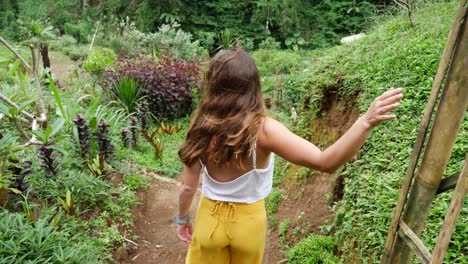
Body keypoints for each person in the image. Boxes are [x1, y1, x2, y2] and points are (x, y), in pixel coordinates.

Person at [175, 47, 403, 264]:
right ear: (253, 85)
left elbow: (187, 187)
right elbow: (326, 162)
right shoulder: (264, 130)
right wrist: (364, 122)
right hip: (249, 224)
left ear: (212, 85)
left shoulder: (200, 126)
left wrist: (182, 219)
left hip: (209, 222)